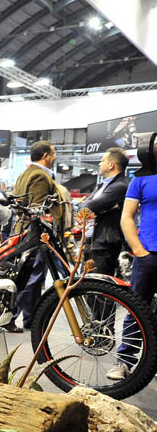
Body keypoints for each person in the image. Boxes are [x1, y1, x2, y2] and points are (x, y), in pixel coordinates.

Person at [109, 135, 157, 380]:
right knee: (137, 308)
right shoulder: (141, 179)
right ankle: (125, 360)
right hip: (148, 254)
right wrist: (139, 250)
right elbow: (127, 216)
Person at [8, 140, 61, 332]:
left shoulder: (25, 173)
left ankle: (27, 318)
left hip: (23, 232)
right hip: (34, 235)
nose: (55, 157)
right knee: (32, 278)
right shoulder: (40, 175)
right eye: (53, 153)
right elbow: (37, 211)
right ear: (45, 155)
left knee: (28, 276)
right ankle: (17, 317)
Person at [78, 147, 129, 275]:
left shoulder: (119, 186)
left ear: (111, 165)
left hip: (104, 246)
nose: (100, 164)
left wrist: (90, 208)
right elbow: (83, 207)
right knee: (85, 282)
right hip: (92, 243)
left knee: (97, 284)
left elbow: (88, 207)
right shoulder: (103, 185)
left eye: (102, 161)